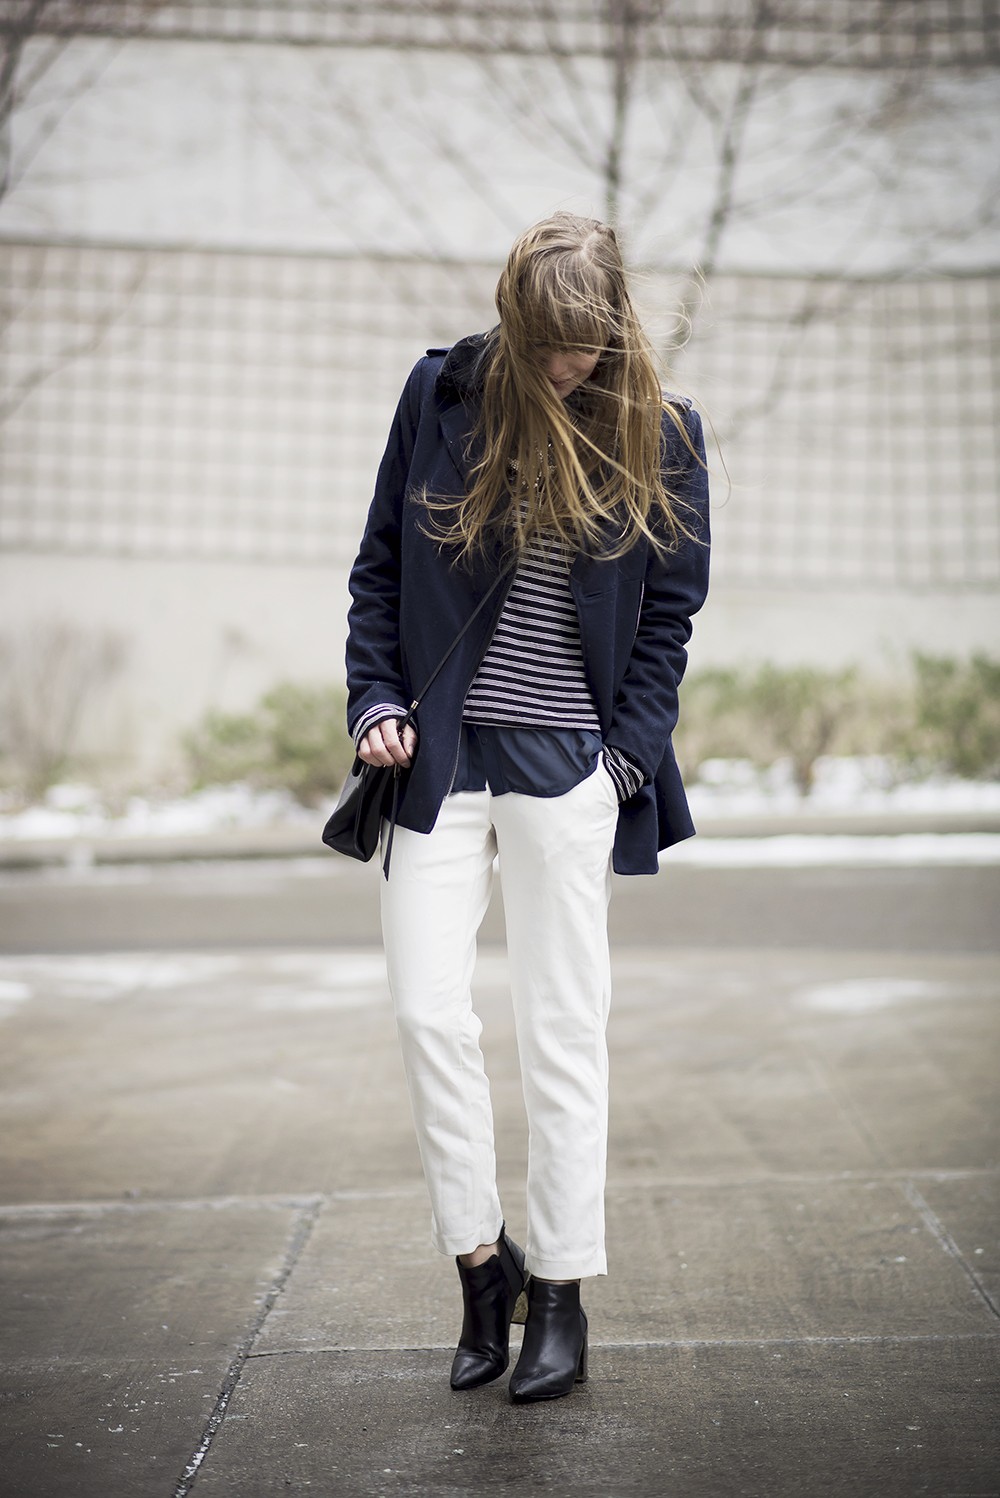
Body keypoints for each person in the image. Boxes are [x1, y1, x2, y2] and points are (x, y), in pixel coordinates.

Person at [344, 212, 710, 1403]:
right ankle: (479, 1265)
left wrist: (622, 767)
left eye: (584, 343)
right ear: (513, 317)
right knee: (425, 1011)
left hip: (568, 769)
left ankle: (558, 1288)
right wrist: (375, 699)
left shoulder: (660, 432)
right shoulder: (443, 394)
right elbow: (379, 568)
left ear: (614, 326)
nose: (564, 364)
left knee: (562, 1029)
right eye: (547, 341)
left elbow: (668, 618)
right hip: (442, 761)